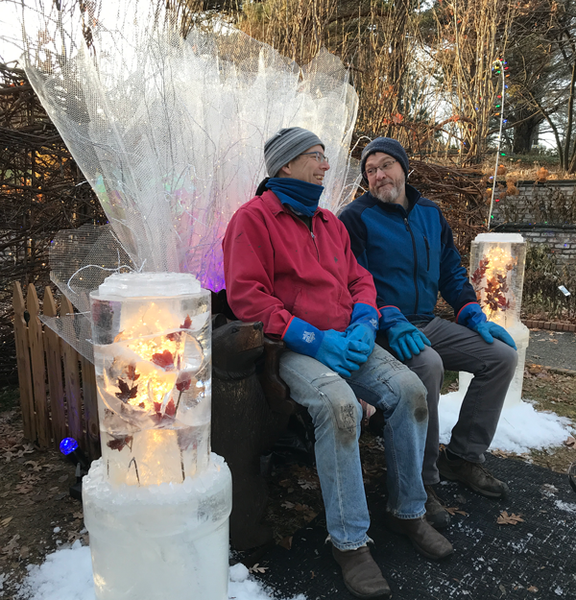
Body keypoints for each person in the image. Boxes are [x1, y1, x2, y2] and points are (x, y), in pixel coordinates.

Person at [223, 128, 453, 599]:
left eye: (325, 157)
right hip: (291, 349)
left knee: (410, 390)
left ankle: (407, 510)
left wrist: (366, 323)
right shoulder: (252, 220)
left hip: (350, 339)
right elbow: (247, 298)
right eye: (316, 157)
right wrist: (313, 338)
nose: (327, 166)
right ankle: (349, 544)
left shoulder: (328, 223)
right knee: (340, 406)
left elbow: (360, 280)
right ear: (285, 166)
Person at [339, 137, 518, 530]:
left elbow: (452, 272)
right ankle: (422, 479)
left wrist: (471, 312)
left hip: (428, 321)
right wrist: (389, 319)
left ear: (404, 168)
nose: (378, 174)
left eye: (386, 165)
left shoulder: (431, 215)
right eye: (370, 170)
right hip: (384, 328)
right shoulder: (354, 218)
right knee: (428, 366)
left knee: (501, 358)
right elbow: (355, 280)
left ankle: (464, 458)